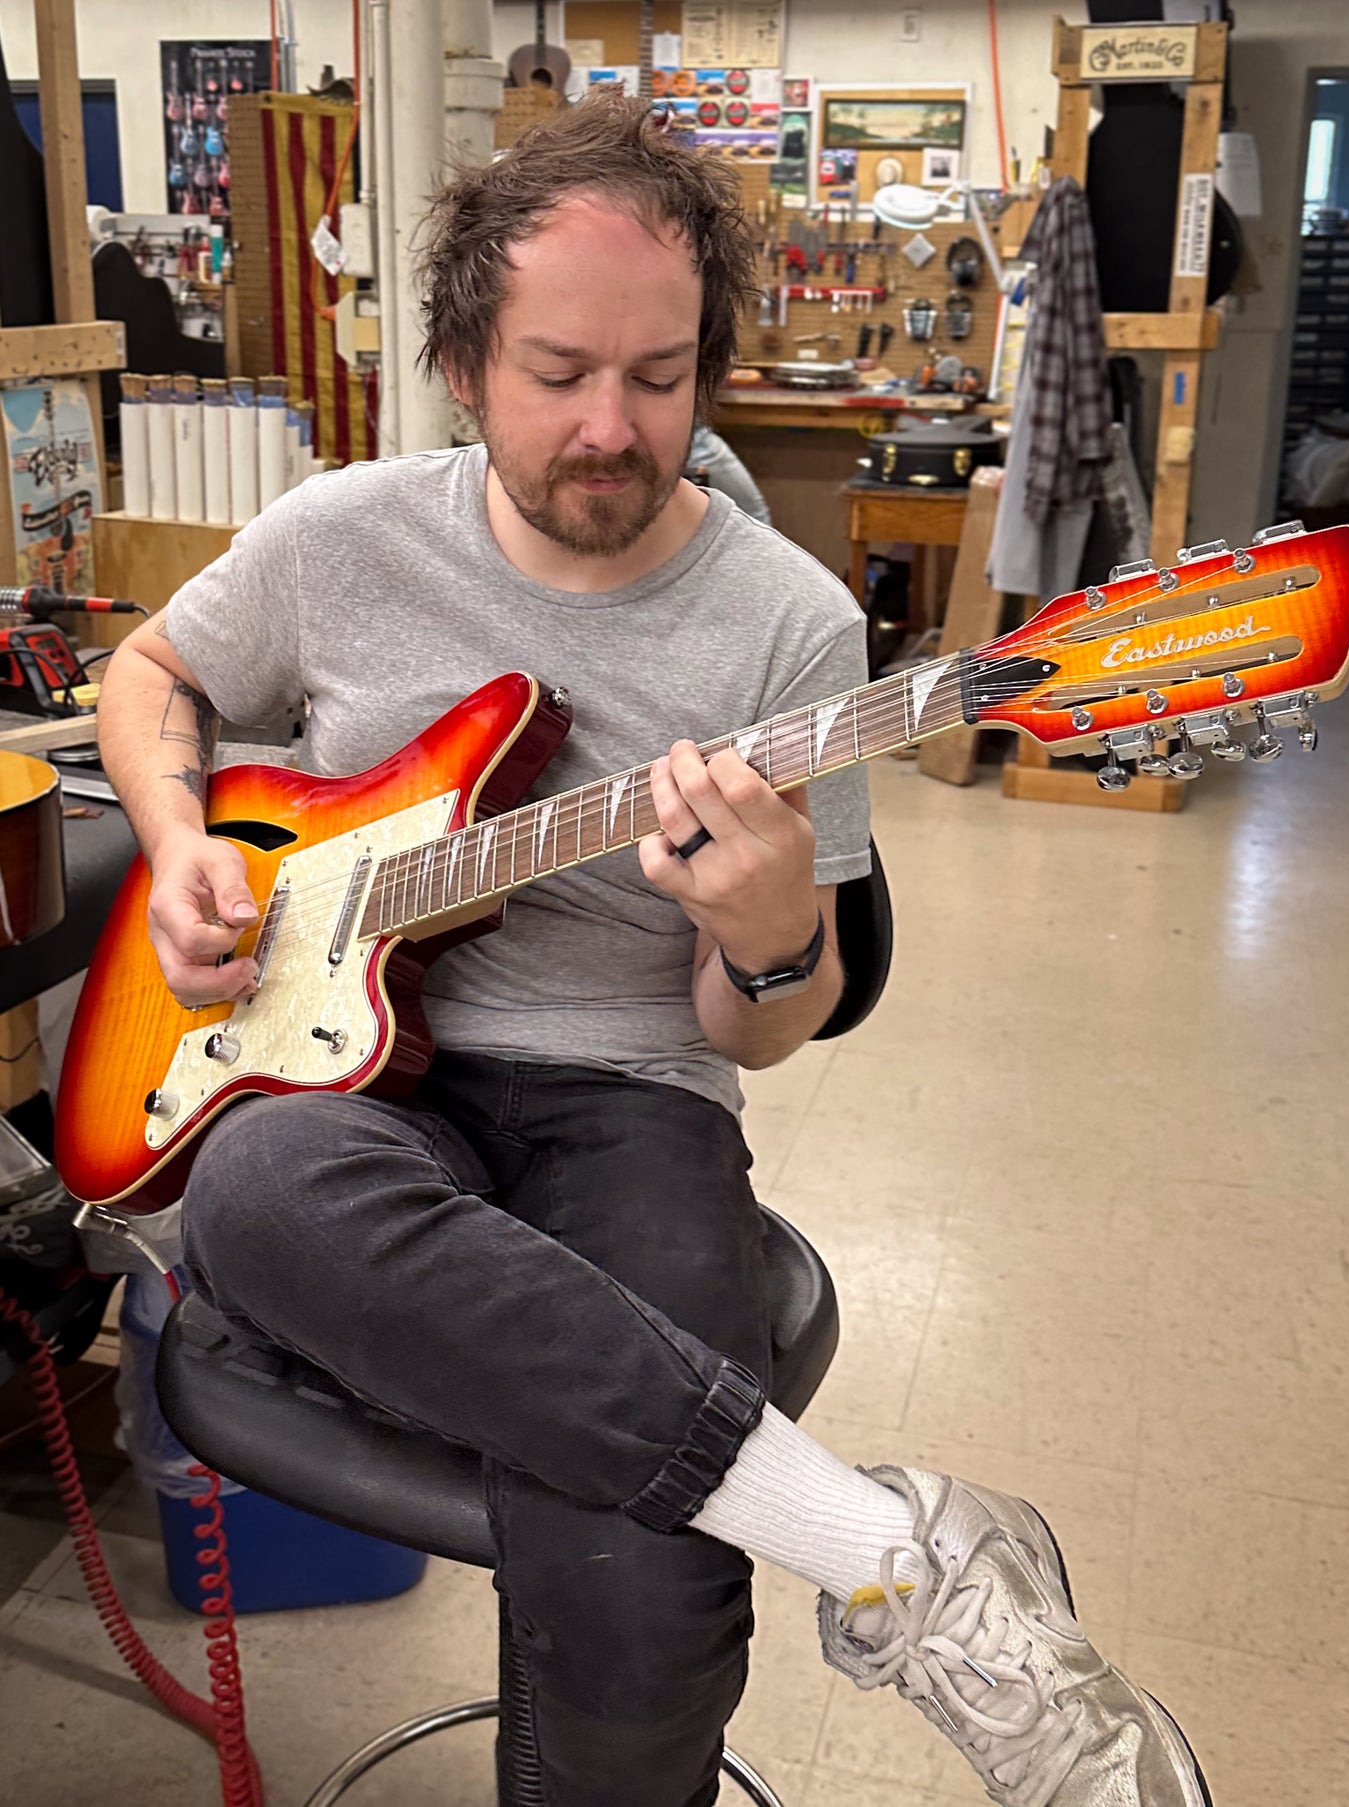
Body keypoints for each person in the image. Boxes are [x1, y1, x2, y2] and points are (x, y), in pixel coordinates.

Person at [96, 94, 1209, 1807]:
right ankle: (879, 1545)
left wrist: (766, 942)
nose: (613, 429)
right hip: (348, 1088)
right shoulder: (340, 538)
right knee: (254, 1196)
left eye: (660, 376)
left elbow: (762, 1033)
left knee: (647, 1594)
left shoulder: (791, 623)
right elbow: (151, 672)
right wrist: (180, 843)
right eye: (558, 374)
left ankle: (851, 1569)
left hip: (627, 1098)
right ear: (462, 365)